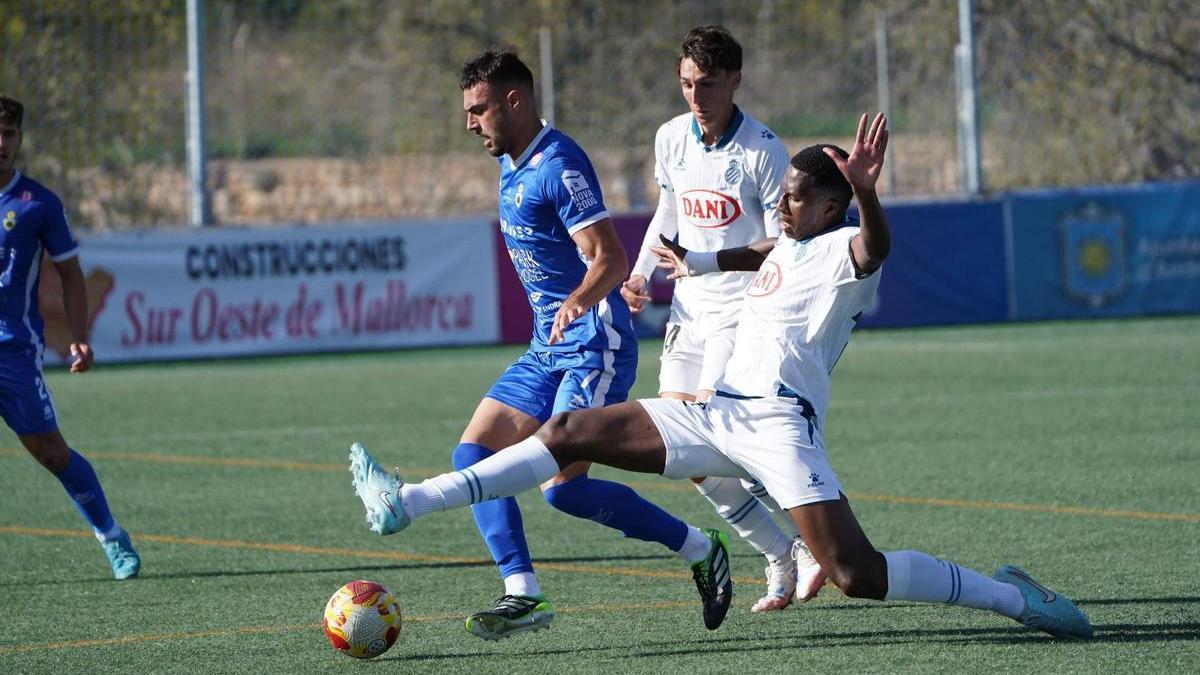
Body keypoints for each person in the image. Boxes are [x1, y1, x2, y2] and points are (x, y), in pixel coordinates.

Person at [349, 113, 1094, 640]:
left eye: (798, 196)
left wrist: (867, 189)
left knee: (854, 572)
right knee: (569, 431)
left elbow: (877, 243)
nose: (783, 202)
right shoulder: (787, 245)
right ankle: (408, 501)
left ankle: (1013, 597)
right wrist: (697, 262)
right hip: (716, 412)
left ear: (832, 205)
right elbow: (759, 251)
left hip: (780, 426)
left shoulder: (847, 256)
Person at [364, 47, 734, 640]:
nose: (470, 123)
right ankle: (523, 593)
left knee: (561, 491)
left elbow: (609, 257)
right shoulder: (510, 160)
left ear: (515, 101)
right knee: (474, 455)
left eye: (479, 109)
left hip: (595, 342)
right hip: (547, 345)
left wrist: (580, 300)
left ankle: (697, 545)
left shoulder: (558, 165)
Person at [620, 25, 822, 613]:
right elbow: (669, 208)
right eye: (685, 83)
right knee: (689, 460)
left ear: (734, 80)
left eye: (706, 84)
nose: (694, 96)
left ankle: (814, 540)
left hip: (741, 311)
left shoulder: (763, 151)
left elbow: (782, 242)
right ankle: (781, 554)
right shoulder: (669, 138)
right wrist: (641, 274)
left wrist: (709, 265)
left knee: (723, 438)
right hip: (688, 312)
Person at [0, 95, 140, 580]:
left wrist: (79, 337)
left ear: (19, 138)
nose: (1, 143)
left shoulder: (36, 204)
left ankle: (111, 536)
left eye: (9, 134)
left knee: (53, 453)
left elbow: (72, 276)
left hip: (11, 349)